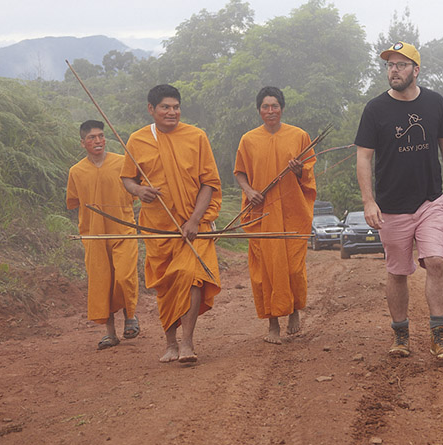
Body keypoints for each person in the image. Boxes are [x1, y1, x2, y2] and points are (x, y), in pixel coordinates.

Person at [355, 41, 443, 361]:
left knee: (436, 261)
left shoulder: (434, 103)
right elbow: (363, 158)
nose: (394, 70)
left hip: (430, 200)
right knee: (398, 271)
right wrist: (368, 201)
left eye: (401, 65)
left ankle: (439, 334)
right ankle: (400, 334)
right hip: (391, 206)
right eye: (390, 65)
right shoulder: (375, 109)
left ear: (416, 70)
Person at [120, 84, 222, 365]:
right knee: (166, 285)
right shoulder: (137, 140)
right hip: (158, 228)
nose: (172, 112)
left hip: (193, 226)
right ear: (151, 109)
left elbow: (209, 183)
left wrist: (194, 220)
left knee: (191, 276)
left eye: (176, 107)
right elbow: (128, 179)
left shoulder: (196, 136)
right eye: (165, 107)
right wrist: (139, 191)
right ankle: (170, 343)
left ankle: (187, 343)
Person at [233, 87, 316, 344]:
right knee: (266, 271)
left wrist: (299, 169)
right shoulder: (248, 139)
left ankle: (293, 311)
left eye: (275, 106)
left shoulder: (299, 136)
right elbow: (239, 172)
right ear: (259, 110)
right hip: (262, 213)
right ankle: (272, 325)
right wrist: (250, 190)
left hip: (292, 213)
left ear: (282, 108)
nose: (270, 111)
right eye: (265, 106)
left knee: (292, 268)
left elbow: (309, 173)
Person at [66, 120, 140, 350]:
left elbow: (136, 191)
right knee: (102, 282)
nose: (97, 141)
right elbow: (74, 202)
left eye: (100, 136)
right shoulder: (76, 171)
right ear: (82, 143)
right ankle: (110, 333)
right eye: (91, 138)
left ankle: (131, 317)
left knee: (124, 276)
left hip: (123, 230)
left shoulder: (122, 163)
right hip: (94, 235)